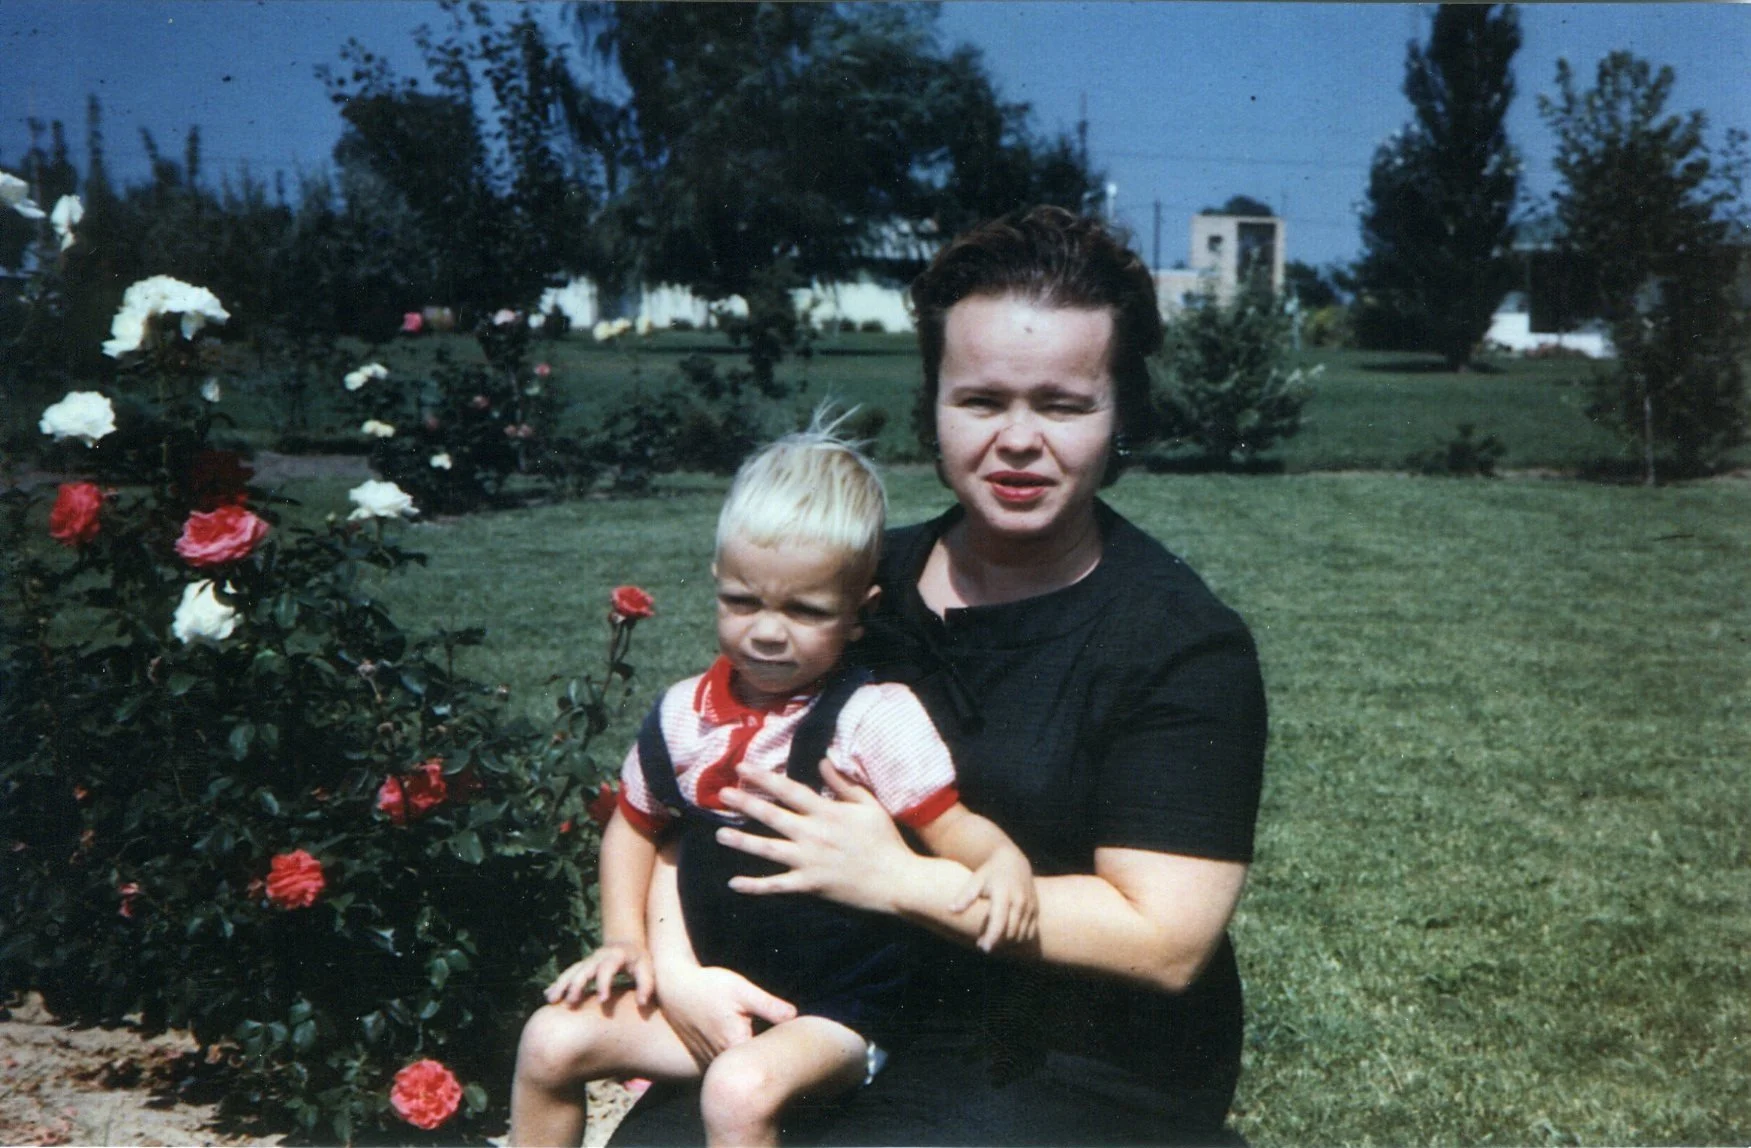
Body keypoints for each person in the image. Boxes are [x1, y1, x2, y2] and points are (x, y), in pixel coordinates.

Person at [605, 205, 1268, 1146]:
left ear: (1121, 413)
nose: (1019, 439)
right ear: (934, 406)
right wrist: (677, 970)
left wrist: (900, 881)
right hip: (846, 1010)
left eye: (1064, 404)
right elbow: (700, 794)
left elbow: (1163, 940)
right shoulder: (845, 592)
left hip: (1074, 1056)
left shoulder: (1175, 643)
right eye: (982, 401)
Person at [511, 416, 1040, 1148]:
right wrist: (623, 937)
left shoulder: (870, 719)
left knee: (738, 1091)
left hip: (837, 1015)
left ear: (860, 615)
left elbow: (951, 824)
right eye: (742, 601)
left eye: (804, 610)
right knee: (549, 1040)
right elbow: (634, 824)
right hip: (711, 997)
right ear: (716, 584)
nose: (766, 631)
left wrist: (1000, 861)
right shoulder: (682, 716)